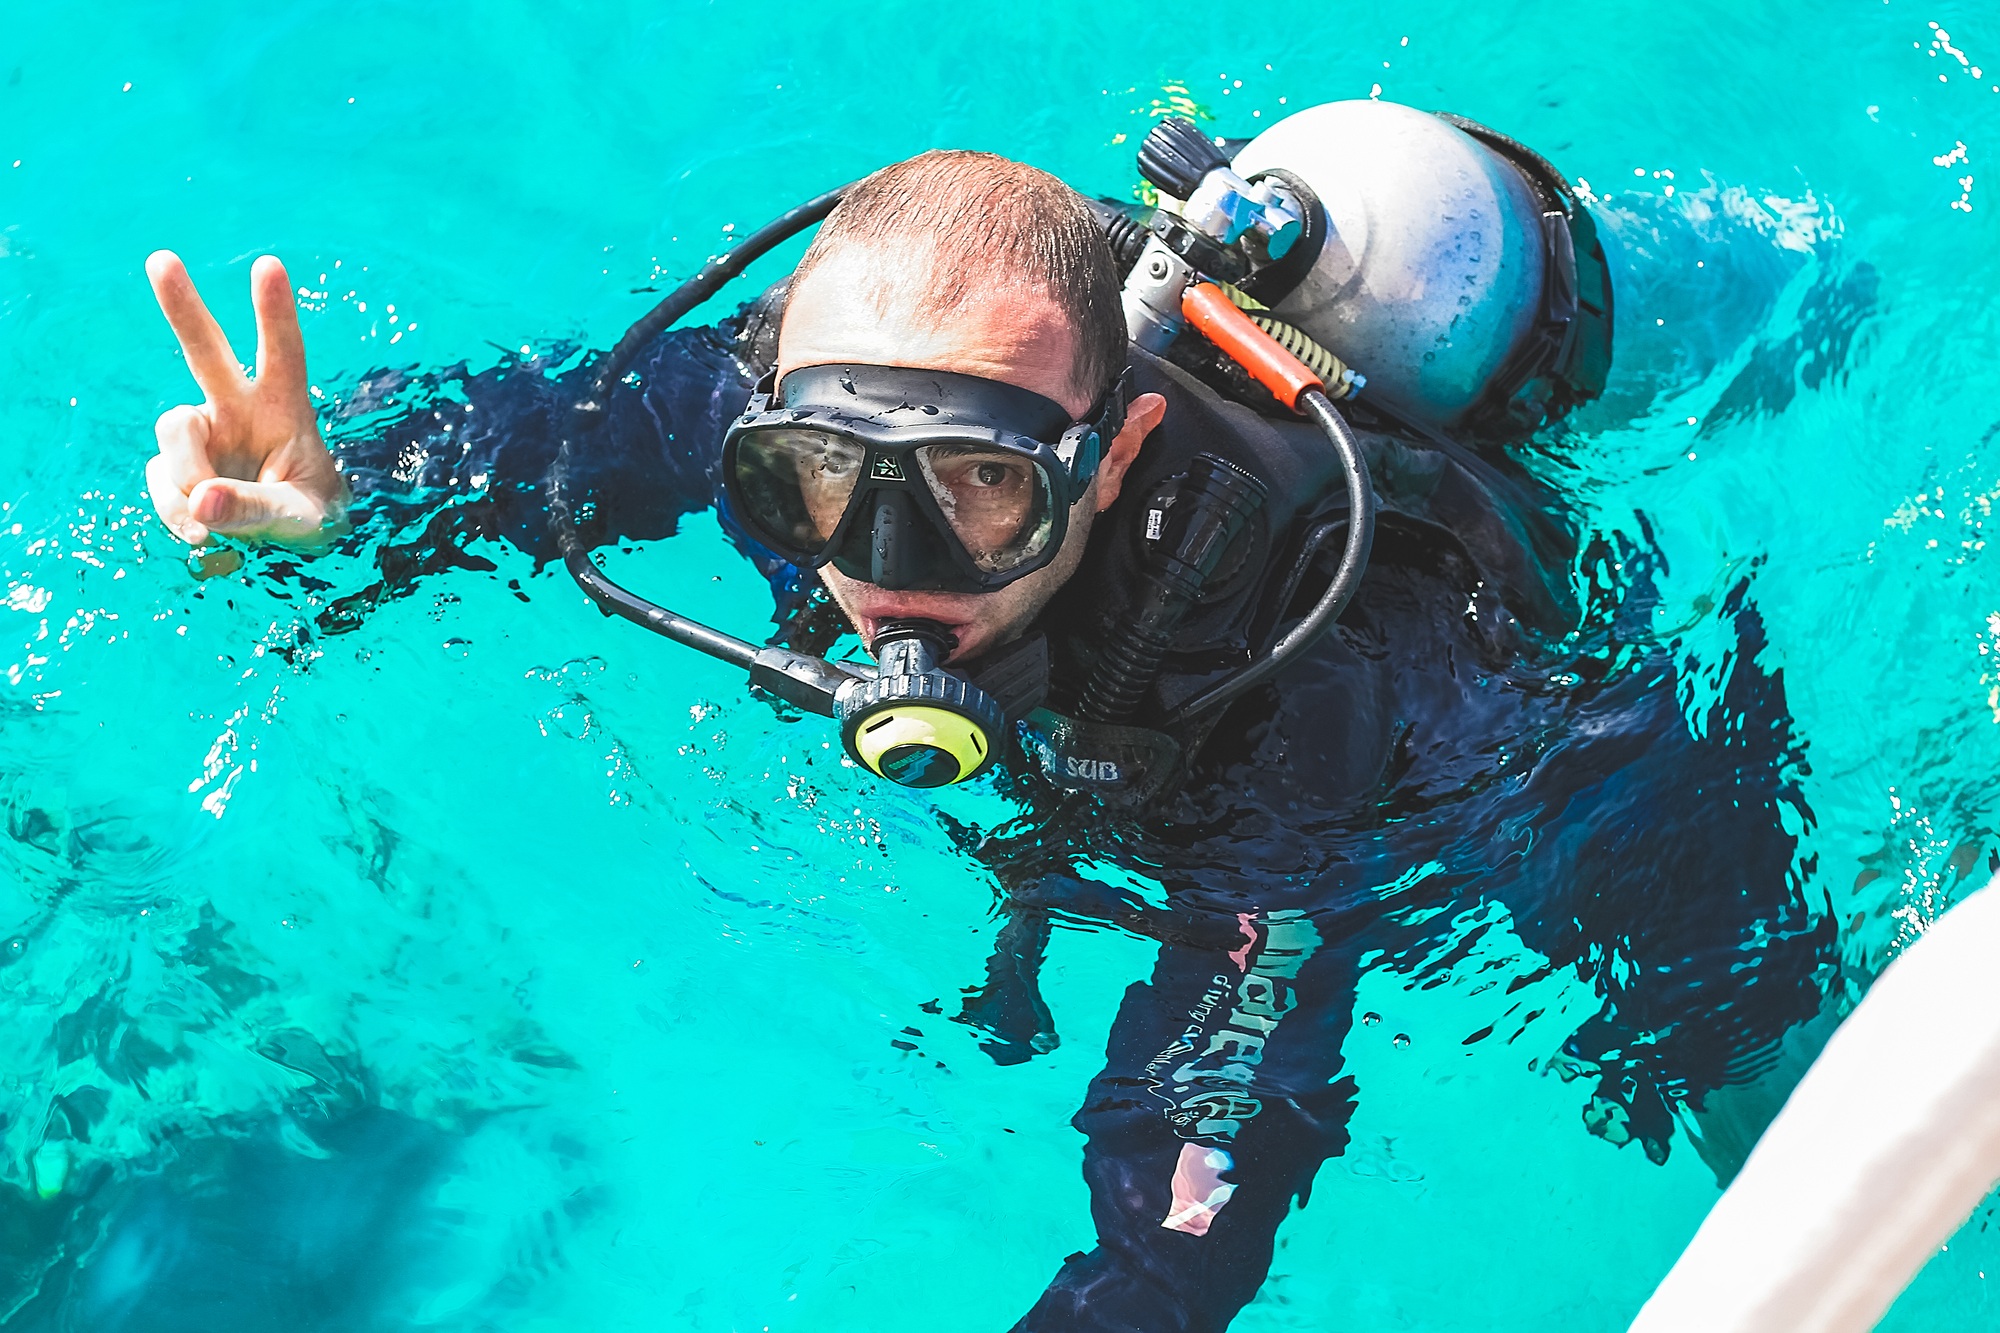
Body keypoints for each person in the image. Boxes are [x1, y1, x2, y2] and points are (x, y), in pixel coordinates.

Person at [141, 136, 1833, 1331]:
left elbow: (1206, 1126)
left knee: (1744, 1054)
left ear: (1114, 456)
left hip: (1561, 760)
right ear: (773, 408)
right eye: (809, 486)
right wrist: (339, 492)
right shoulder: (774, 399)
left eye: (975, 496)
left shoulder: (1291, 681)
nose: (881, 581)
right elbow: (535, 441)